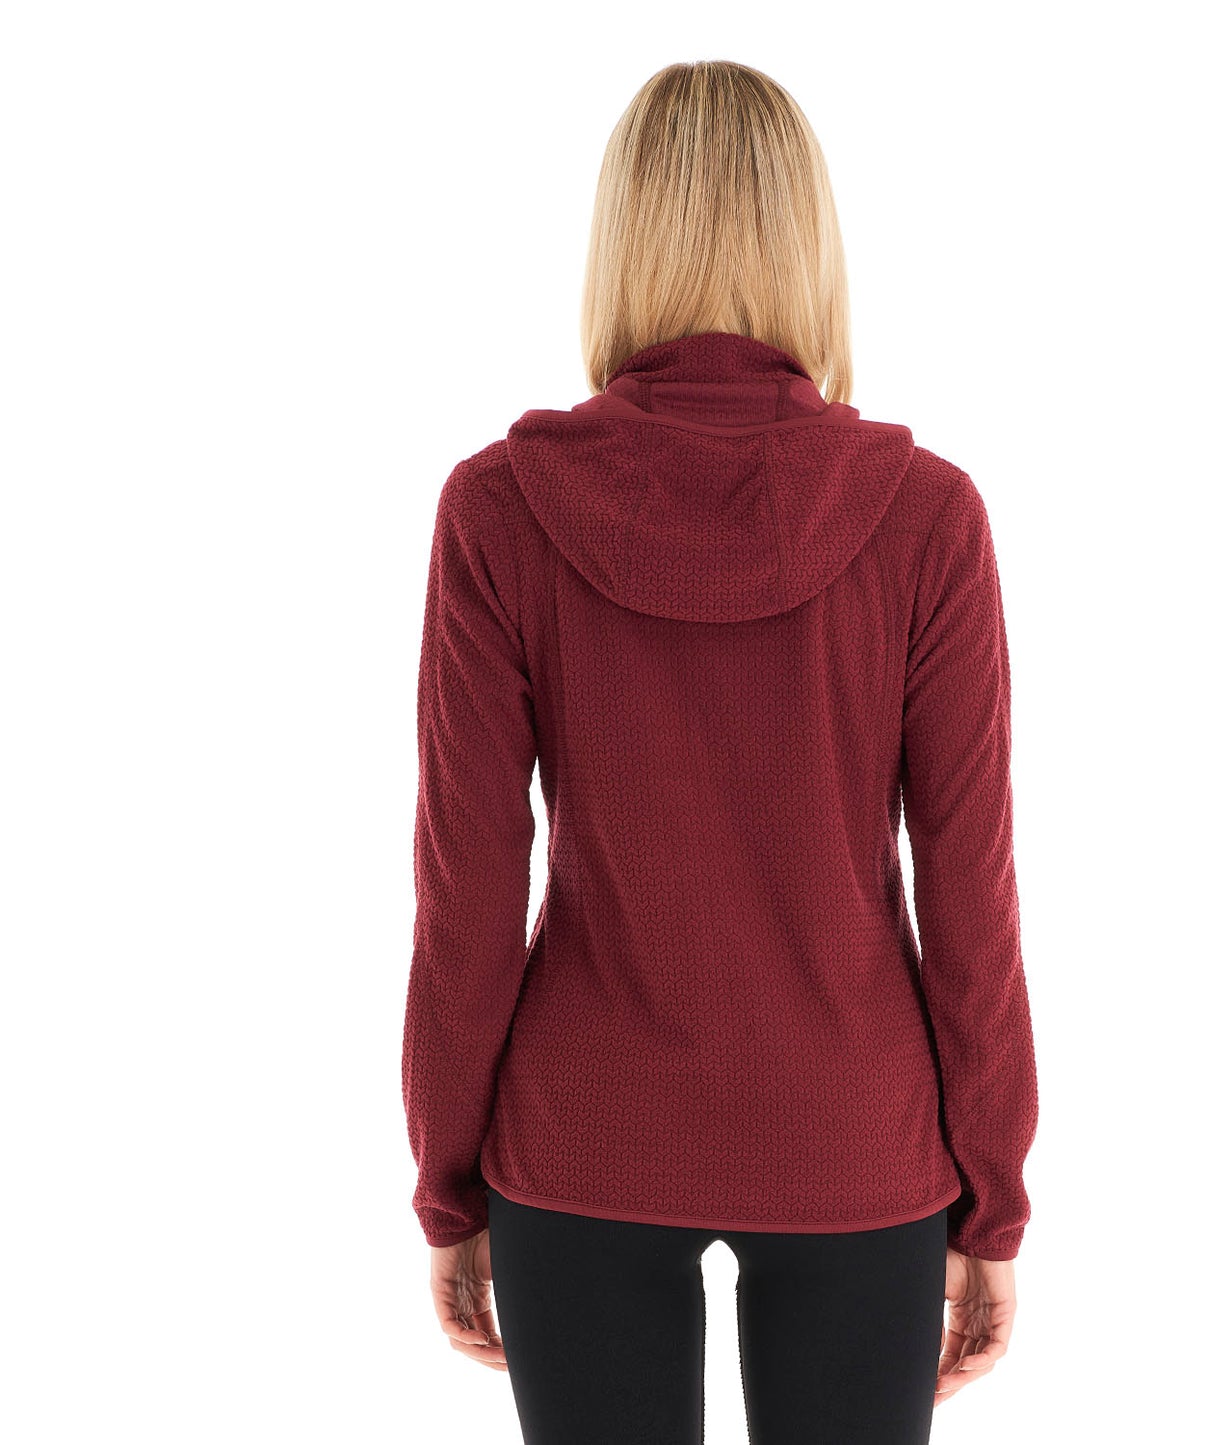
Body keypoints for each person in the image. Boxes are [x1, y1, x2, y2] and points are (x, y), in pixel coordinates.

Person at [401, 58, 1039, 1444]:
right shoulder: (926, 518)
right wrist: (992, 1199)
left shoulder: (500, 510)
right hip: (853, 1140)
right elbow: (972, 895)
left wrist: (448, 1182)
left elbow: (466, 896)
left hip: (581, 1139)